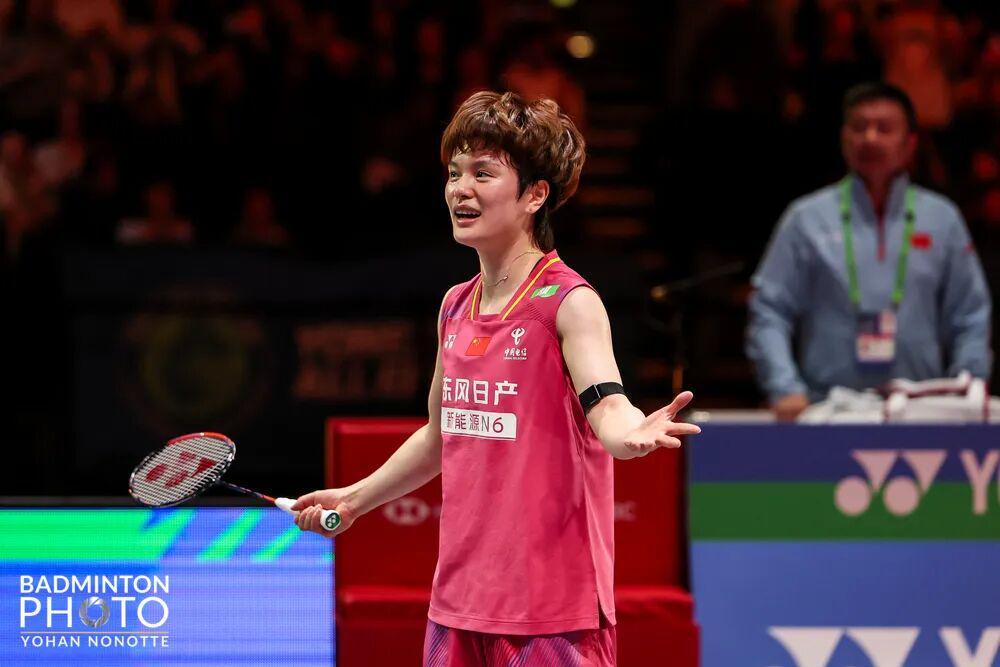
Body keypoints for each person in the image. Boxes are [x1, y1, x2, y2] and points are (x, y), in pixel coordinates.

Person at [293, 90, 700, 666]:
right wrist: (355, 499)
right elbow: (439, 436)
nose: (460, 189)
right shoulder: (455, 305)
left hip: (549, 612)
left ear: (535, 195)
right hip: (459, 601)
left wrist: (629, 433)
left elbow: (607, 403)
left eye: (483, 173)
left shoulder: (568, 302)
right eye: (454, 173)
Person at [746, 82, 992, 421]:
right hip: (825, 410)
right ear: (844, 138)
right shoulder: (806, 218)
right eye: (859, 127)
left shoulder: (942, 219)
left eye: (884, 128)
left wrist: (967, 384)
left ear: (910, 143)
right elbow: (770, 309)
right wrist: (783, 386)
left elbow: (970, 315)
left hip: (920, 412)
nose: (870, 138)